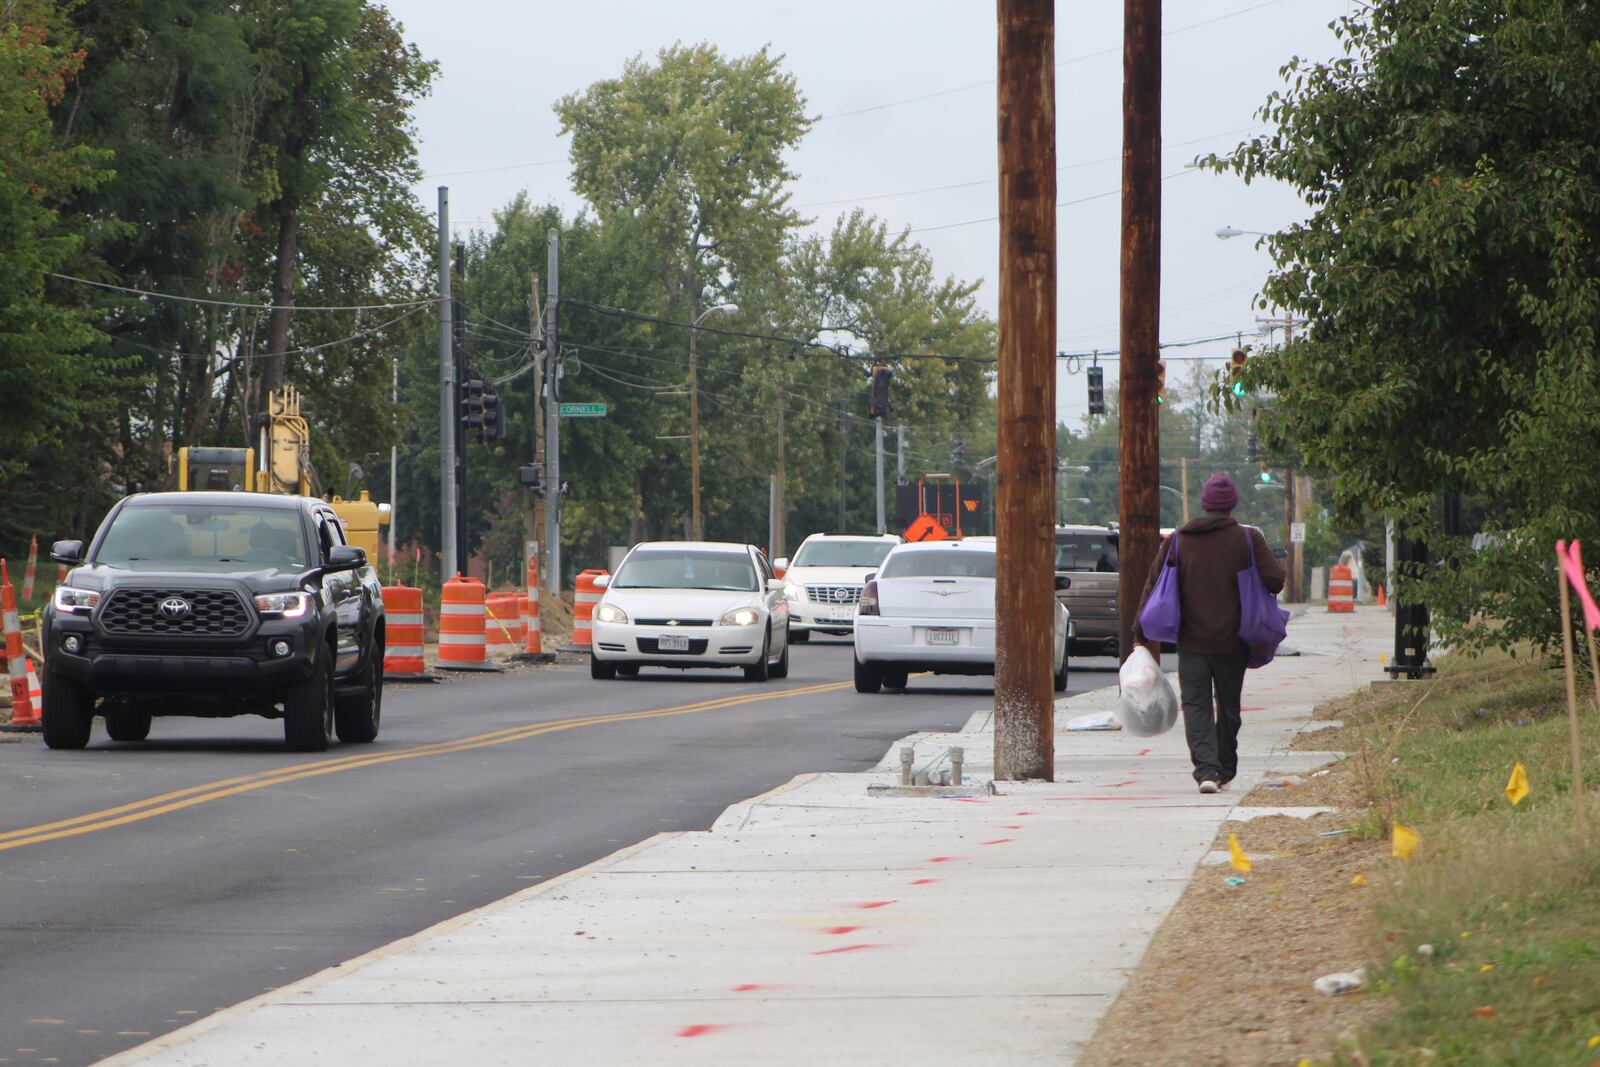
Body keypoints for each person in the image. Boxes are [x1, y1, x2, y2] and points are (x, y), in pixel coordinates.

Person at [1133, 472, 1286, 794]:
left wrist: (1139, 631)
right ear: (1232, 506)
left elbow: (1154, 584)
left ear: (1205, 504)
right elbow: (1276, 579)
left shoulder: (1179, 539)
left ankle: (1206, 771)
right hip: (1234, 641)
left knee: (1197, 705)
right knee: (1229, 706)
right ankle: (1224, 769)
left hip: (1191, 641)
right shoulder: (1247, 539)